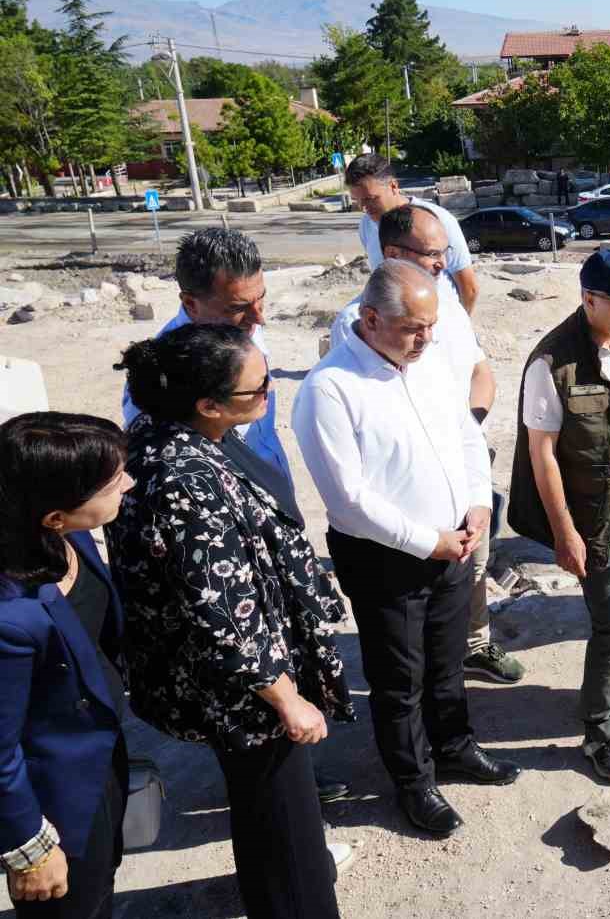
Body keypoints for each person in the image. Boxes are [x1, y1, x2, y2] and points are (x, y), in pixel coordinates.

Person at [108, 326, 353, 919]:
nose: (270, 394)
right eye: (258, 389)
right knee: (280, 813)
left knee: (267, 812)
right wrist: (286, 698)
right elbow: (220, 614)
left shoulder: (165, 433)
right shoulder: (186, 481)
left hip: (232, 680)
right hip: (246, 694)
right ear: (208, 405)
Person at [293, 262, 516, 837]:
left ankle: (456, 747)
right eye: (413, 327)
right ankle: (413, 782)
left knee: (446, 660)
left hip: (454, 541)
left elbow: (467, 434)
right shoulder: (330, 389)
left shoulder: (430, 363)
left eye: (432, 325)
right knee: (399, 677)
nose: (427, 338)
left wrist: (477, 503)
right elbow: (347, 500)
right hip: (386, 560)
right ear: (370, 319)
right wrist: (428, 541)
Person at [328, 207, 521, 686]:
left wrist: (465, 431)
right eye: (434, 254)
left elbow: (480, 374)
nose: (444, 263)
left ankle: (471, 647)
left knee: (472, 562)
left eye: (445, 253)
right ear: (393, 253)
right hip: (406, 497)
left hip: (463, 461)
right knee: (407, 651)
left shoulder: (447, 304)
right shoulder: (360, 323)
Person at [508, 249, 610, 783]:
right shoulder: (551, 363)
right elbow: (543, 455)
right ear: (589, 300)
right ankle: (600, 731)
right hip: (596, 523)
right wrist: (565, 534)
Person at [0, 414, 131, 919]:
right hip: (56, 800)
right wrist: (29, 848)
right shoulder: (11, 617)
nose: (130, 484)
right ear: (55, 515)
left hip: (98, 756)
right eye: (115, 480)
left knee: (101, 885)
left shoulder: (64, 538)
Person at [122, 228, 293, 507]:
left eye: (260, 298)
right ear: (191, 303)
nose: (259, 318)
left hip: (270, 477)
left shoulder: (240, 326)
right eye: (238, 307)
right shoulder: (165, 374)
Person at [345, 153, 480, 315]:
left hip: (438, 321)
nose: (363, 208)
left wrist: (460, 327)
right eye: (357, 201)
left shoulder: (436, 220)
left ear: (393, 186)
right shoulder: (366, 225)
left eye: (370, 199)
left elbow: (469, 288)